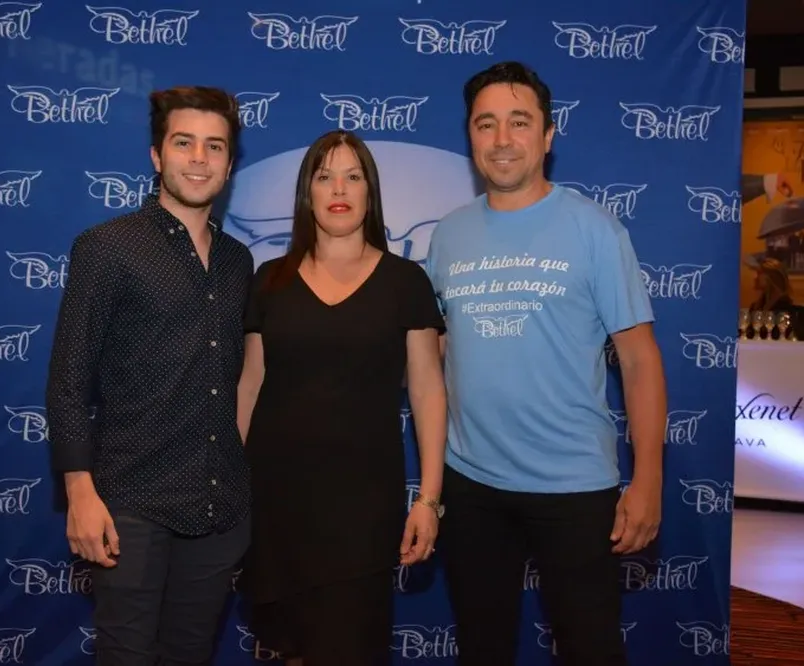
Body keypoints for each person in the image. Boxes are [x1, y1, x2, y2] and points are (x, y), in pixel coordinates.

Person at [424, 61, 667, 666]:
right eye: (486, 124)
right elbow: (437, 351)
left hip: (576, 486)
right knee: (482, 649)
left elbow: (639, 361)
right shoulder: (447, 236)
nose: (502, 139)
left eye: (519, 122)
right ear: (470, 136)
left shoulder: (595, 230)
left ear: (548, 135)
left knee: (591, 650)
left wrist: (649, 479)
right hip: (473, 482)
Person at [45, 86, 252, 666]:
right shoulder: (106, 248)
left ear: (230, 164)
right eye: (183, 142)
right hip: (130, 500)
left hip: (220, 501)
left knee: (190, 652)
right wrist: (80, 494)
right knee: (126, 655)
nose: (199, 158)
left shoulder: (240, 262)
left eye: (215, 146)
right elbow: (68, 380)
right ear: (158, 155)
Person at [236, 129, 447, 666]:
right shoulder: (268, 282)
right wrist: (230, 488)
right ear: (307, 192)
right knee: (292, 650)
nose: (339, 187)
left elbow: (427, 390)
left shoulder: (405, 283)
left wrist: (428, 499)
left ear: (370, 193)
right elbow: (250, 385)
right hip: (276, 502)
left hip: (363, 509)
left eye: (353, 176)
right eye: (325, 175)